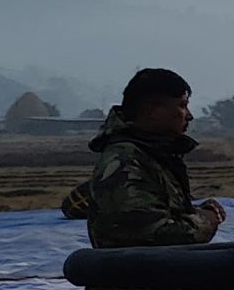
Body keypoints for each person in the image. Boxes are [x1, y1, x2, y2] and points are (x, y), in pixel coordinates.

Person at [80, 69, 226, 247]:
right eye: (182, 105)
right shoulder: (126, 163)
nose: (189, 115)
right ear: (152, 111)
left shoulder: (151, 155)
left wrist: (195, 212)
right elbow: (153, 235)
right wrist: (206, 220)